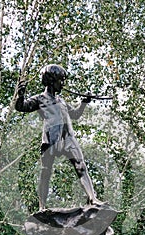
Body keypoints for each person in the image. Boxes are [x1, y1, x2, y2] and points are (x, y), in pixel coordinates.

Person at [15, 64, 102, 210]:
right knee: (45, 173)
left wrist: (83, 104)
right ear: (51, 80)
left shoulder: (62, 101)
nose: (63, 83)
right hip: (51, 140)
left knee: (81, 166)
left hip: (68, 138)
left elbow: (74, 115)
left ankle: (92, 198)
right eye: (61, 80)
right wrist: (20, 95)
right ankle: (42, 207)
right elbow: (22, 107)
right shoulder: (40, 99)